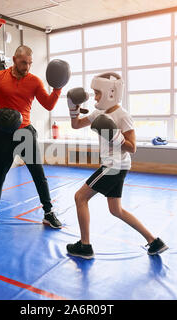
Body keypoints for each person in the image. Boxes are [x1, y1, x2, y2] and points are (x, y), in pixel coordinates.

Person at [66, 73, 168, 259]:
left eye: (98, 93)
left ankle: (85, 246)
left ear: (110, 93)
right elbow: (76, 125)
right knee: (116, 209)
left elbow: (132, 147)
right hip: (116, 166)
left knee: (80, 197)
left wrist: (114, 135)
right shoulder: (99, 113)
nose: (95, 97)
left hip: (114, 166)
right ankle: (154, 241)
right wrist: (74, 108)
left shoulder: (123, 115)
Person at [0, 45, 62, 228]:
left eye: (30, 63)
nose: (27, 67)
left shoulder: (34, 81)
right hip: (3, 133)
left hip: (25, 132)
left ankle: (48, 212)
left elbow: (48, 105)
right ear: (15, 59)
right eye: (24, 62)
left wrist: (57, 89)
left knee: (38, 174)